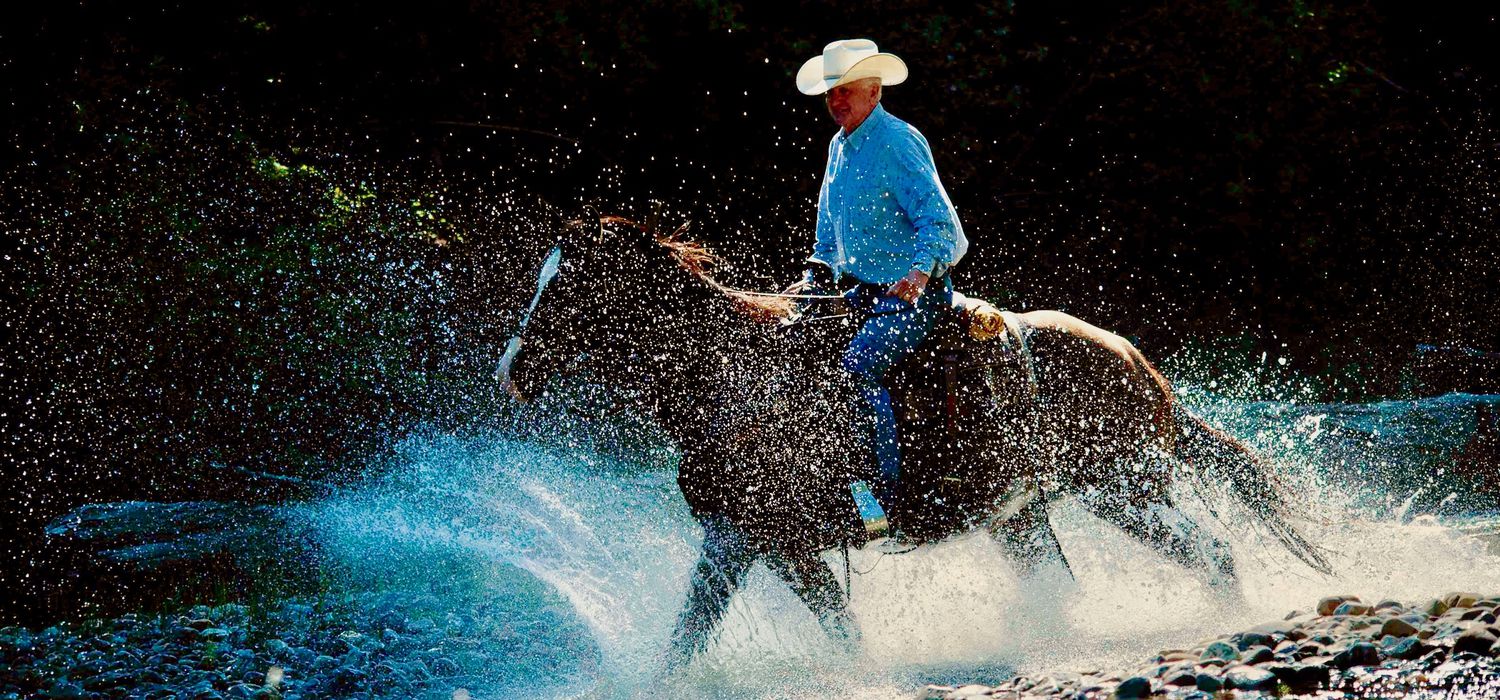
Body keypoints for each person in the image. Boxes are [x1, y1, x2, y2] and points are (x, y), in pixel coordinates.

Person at [784, 39, 969, 535]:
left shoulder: (898, 141)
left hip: (915, 294)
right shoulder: (838, 146)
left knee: (856, 368)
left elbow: (938, 222)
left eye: (845, 91)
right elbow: (828, 231)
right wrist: (813, 275)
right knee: (791, 352)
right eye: (831, 94)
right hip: (862, 292)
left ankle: (881, 500)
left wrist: (918, 272)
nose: (836, 101)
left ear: (874, 90)